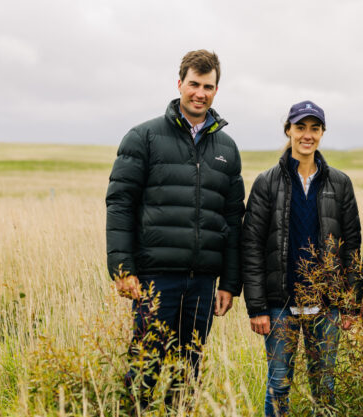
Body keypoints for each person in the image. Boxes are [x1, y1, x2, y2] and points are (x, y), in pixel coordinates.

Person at [105, 50, 245, 404]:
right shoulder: (144, 137)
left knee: (188, 369)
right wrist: (123, 268)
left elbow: (232, 219)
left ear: (216, 90)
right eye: (194, 84)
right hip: (156, 277)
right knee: (145, 366)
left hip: (202, 281)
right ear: (179, 83)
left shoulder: (227, 148)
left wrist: (229, 282)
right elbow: (120, 203)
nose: (200, 93)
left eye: (208, 86)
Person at [242, 100, 361, 416]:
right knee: (278, 385)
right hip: (280, 305)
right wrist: (257, 307)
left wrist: (349, 303)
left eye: (314, 128)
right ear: (288, 130)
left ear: (322, 133)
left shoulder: (340, 183)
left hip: (327, 307)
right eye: (300, 127)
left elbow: (352, 250)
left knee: (325, 388)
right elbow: (251, 246)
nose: (307, 135)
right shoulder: (267, 182)